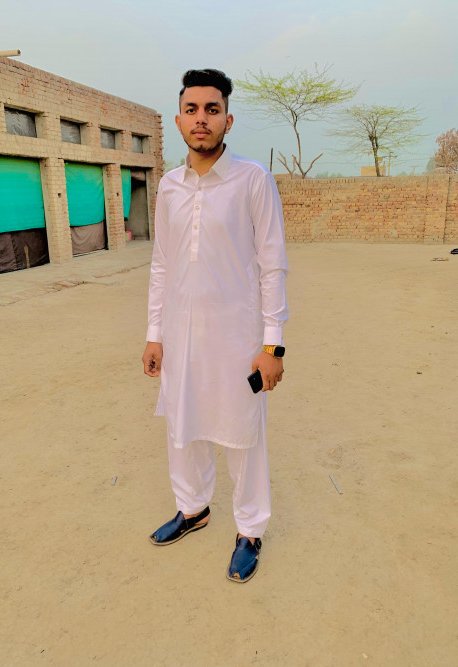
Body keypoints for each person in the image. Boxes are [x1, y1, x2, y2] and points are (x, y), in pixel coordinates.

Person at [142, 69, 289, 583]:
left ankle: (250, 529)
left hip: (237, 338)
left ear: (228, 118)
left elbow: (273, 266)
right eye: (192, 110)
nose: (200, 119)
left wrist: (273, 345)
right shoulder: (169, 186)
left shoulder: (252, 180)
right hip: (180, 335)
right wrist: (154, 333)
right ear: (178, 119)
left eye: (211, 109)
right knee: (182, 426)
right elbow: (162, 264)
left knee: (243, 434)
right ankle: (193, 508)